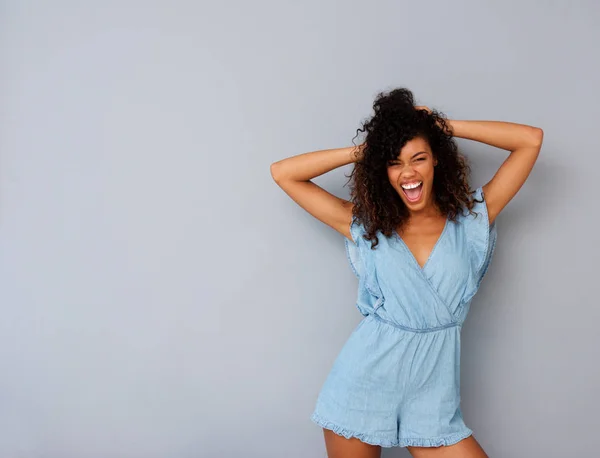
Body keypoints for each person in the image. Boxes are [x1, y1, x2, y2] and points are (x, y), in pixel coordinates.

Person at [270, 88, 543, 458]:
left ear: (436, 162)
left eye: (419, 158)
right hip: (365, 381)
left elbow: (530, 141)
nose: (408, 172)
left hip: (434, 389)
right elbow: (284, 173)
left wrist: (440, 126)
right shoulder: (367, 226)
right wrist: (370, 150)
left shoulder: (472, 219)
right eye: (394, 162)